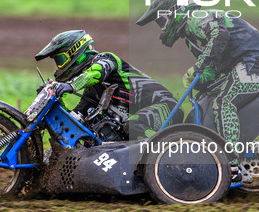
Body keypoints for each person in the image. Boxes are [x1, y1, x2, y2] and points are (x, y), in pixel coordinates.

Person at [137, 0, 259, 189]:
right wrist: (201, 76)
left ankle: (233, 167)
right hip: (246, 64)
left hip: (257, 63)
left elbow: (220, 35)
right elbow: (215, 65)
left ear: (175, 11)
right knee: (206, 98)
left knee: (223, 103)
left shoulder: (197, 18)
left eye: (162, 21)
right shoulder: (190, 37)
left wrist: (199, 66)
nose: (162, 27)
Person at [34, 30, 182, 140]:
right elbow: (74, 122)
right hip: (143, 117)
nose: (59, 66)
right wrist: (57, 106)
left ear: (76, 51)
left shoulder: (106, 59)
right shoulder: (92, 91)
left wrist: (71, 86)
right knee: (92, 135)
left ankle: (164, 160)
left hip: (167, 107)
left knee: (134, 126)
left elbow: (96, 73)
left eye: (60, 60)